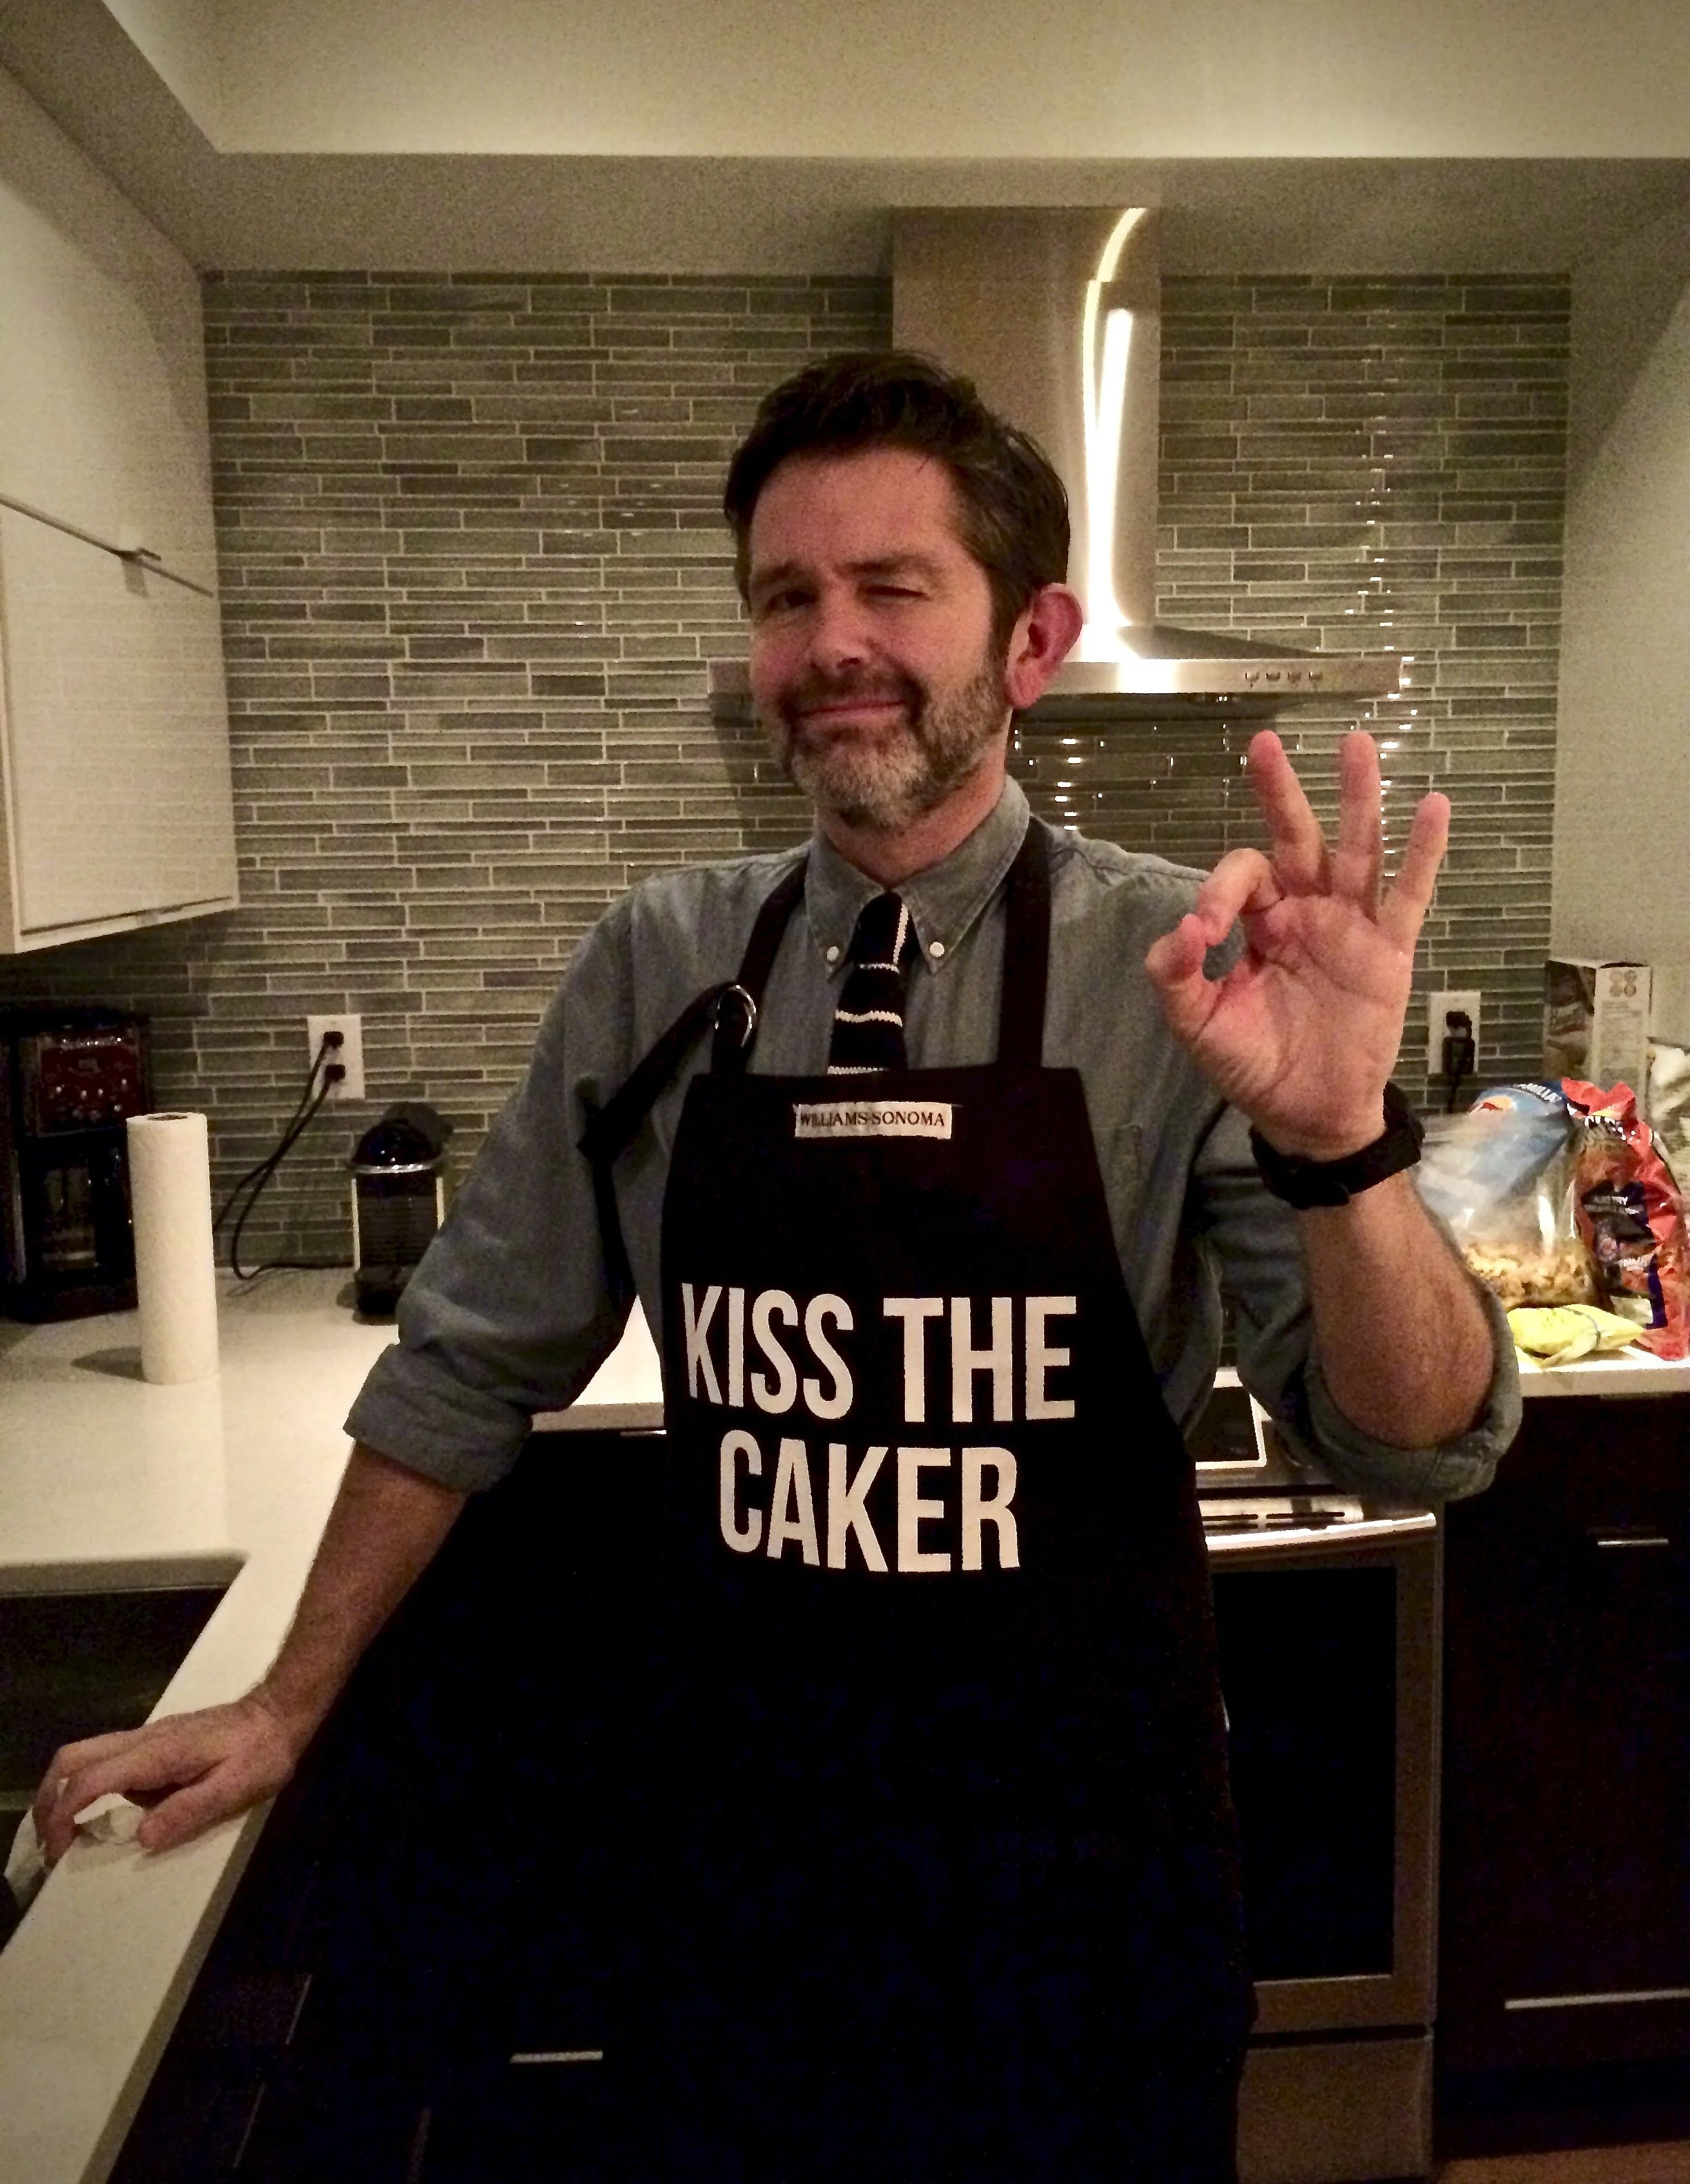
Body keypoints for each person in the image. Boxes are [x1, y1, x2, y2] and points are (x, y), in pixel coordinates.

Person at [39, 352, 1517, 2180]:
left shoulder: (1190, 972)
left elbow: (1412, 1440)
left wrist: (1344, 1142)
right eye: (786, 597)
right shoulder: (655, 965)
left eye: (893, 586)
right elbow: (465, 1365)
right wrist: (285, 1701)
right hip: (740, 1869)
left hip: (1082, 1886)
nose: (833, 643)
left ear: (1033, 639)